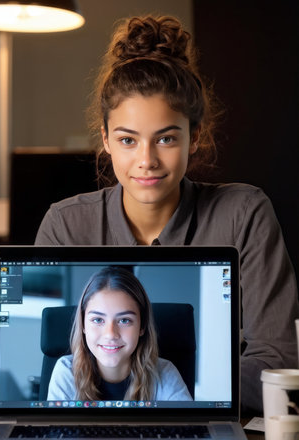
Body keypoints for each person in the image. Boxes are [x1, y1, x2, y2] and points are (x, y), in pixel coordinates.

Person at [36, 15, 299, 412]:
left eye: (166, 139)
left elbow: (278, 361)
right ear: (106, 139)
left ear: (195, 137)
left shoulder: (244, 213)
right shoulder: (65, 223)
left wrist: (175, 400)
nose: (147, 160)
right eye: (128, 139)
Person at [47, 266, 192, 401]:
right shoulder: (67, 372)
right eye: (98, 320)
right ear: (83, 325)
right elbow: (55, 428)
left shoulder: (164, 373)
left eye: (124, 320)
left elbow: (189, 427)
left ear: (142, 326)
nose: (110, 334)